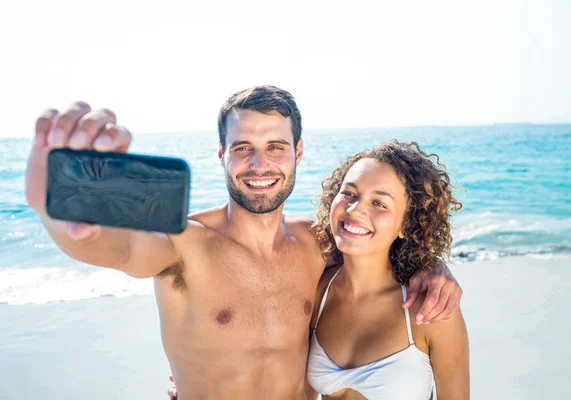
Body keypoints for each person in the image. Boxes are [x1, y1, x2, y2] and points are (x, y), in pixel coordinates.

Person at [25, 85, 463, 400]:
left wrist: (433, 267)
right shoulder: (184, 244)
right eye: (241, 148)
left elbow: (380, 245)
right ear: (221, 155)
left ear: (298, 152)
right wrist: (61, 210)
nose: (259, 164)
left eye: (275, 146)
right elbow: (116, 247)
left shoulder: (318, 245)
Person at [305, 140, 469, 399]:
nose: (355, 209)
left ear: (407, 223)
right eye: (348, 193)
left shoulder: (431, 309)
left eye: (379, 203)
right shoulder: (318, 292)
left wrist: (436, 263)